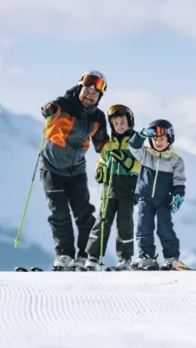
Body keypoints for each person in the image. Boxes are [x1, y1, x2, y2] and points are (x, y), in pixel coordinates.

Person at [40, 70, 110, 271]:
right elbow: (53, 108)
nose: (90, 96)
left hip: (76, 171)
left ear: (99, 97)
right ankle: (64, 255)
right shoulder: (66, 104)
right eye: (87, 90)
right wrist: (49, 109)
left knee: (84, 213)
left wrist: (114, 153)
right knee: (59, 212)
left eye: (95, 94)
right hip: (52, 168)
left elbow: (102, 144)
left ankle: (84, 256)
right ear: (80, 88)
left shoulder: (97, 117)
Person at [83, 104, 141, 271]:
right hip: (109, 191)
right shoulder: (109, 145)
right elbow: (101, 161)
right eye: (116, 123)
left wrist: (126, 160)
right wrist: (100, 171)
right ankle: (93, 257)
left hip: (128, 191)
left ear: (130, 122)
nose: (120, 125)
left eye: (122, 122)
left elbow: (142, 166)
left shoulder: (135, 144)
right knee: (102, 222)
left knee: (125, 224)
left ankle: (125, 258)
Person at [128, 119, 186, 270]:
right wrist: (140, 135)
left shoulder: (175, 160)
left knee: (164, 228)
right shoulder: (146, 155)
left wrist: (178, 195)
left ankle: (171, 258)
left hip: (163, 200)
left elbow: (178, 180)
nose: (158, 142)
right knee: (143, 227)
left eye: (161, 139)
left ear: (169, 139)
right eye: (154, 139)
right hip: (145, 199)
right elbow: (133, 146)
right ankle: (146, 256)